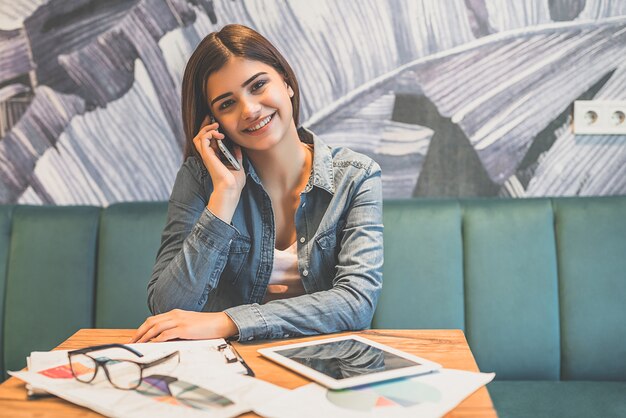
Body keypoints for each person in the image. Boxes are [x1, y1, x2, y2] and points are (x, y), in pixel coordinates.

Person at [131, 24, 383, 343]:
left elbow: (356, 303)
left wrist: (229, 322)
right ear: (214, 122)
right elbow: (168, 308)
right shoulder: (200, 179)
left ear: (287, 82)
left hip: (326, 365)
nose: (249, 110)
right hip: (227, 371)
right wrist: (225, 192)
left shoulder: (355, 176)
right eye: (226, 104)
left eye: (258, 85)